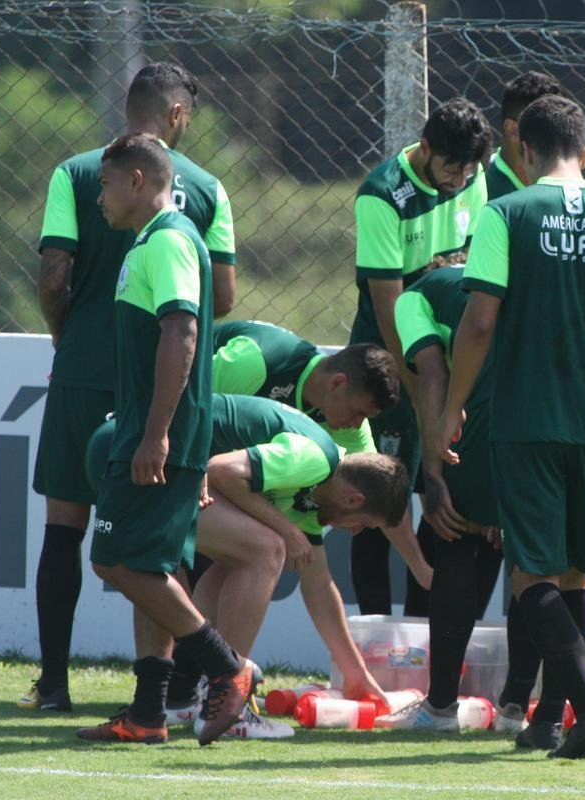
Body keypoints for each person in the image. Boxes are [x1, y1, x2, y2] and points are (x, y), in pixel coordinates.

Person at [437, 95, 585, 759]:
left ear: (524, 152)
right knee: (572, 575)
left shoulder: (505, 212)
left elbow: (479, 321)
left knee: (531, 577)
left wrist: (453, 405)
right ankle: (549, 717)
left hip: (524, 419)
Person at [25, 61, 238, 712]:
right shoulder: (206, 189)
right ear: (178, 115)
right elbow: (221, 298)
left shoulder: (77, 170)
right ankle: (168, 691)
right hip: (162, 381)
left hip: (89, 365)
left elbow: (54, 275)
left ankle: (56, 684)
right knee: (163, 535)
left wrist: (66, 336)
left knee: (67, 523)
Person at [86, 394, 409, 738]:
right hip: (136, 450)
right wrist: (287, 532)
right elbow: (219, 470)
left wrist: (355, 674)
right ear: (353, 499)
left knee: (181, 570)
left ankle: (158, 710)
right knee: (267, 550)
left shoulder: (311, 498)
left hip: (140, 451)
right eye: (363, 524)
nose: (354, 531)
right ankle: (228, 695)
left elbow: (319, 584)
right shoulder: (317, 460)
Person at [75, 133, 251, 745]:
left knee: (115, 559)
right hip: (154, 428)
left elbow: (181, 333)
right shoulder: (149, 242)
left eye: (102, 184)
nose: (97, 197)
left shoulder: (170, 239)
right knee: (155, 567)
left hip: (158, 433)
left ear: (136, 181)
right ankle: (148, 715)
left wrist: (155, 435)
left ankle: (228, 670)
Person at [349, 97, 492, 616]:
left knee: (442, 500)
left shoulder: (474, 178)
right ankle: (373, 632)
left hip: (446, 363)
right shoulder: (382, 195)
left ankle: (422, 631)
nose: (460, 180)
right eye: (451, 168)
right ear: (425, 150)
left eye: (469, 170)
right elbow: (389, 311)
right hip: (386, 366)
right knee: (376, 500)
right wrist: (418, 396)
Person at [208, 319, 431, 589]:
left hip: (211, 467)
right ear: (337, 383)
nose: (357, 424)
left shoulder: (346, 425)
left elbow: (380, 495)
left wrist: (421, 569)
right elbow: (183, 413)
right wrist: (287, 530)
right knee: (262, 550)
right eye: (359, 412)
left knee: (241, 558)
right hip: (163, 435)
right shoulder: (256, 361)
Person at [376, 265, 504, 731]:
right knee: (514, 547)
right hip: (540, 415)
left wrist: (432, 471)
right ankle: (516, 707)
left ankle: (442, 706)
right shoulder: (497, 280)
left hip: (481, 417)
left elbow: (432, 374)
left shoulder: (415, 298)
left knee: (453, 530)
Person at [485, 72, 565, 200]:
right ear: (512, 130)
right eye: (544, 129)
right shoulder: (477, 185)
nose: (555, 139)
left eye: (557, 128)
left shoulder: (567, 188)